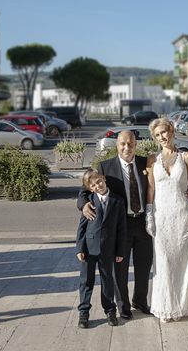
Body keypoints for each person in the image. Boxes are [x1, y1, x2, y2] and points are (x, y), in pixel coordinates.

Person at [77, 130, 153, 320]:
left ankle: (140, 301)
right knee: (120, 268)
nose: (127, 147)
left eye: (130, 143)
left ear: (136, 144)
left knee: (144, 266)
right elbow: (86, 189)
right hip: (119, 226)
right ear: (117, 145)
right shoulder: (105, 166)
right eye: (122, 144)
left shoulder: (146, 163)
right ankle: (123, 306)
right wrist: (83, 205)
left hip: (143, 222)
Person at [145, 118, 188, 322]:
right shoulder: (152, 159)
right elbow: (151, 188)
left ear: (172, 131)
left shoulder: (186, 156)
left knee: (181, 262)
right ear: (155, 138)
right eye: (158, 134)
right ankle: (164, 307)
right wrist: (149, 216)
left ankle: (179, 306)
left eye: (165, 132)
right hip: (161, 218)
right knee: (163, 263)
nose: (162, 137)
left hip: (182, 215)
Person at [76, 169, 127, 329]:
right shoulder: (89, 202)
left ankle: (110, 311)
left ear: (103, 179)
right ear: (90, 188)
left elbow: (122, 228)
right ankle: (84, 313)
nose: (98, 185)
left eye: (99, 181)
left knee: (107, 280)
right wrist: (79, 249)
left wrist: (120, 251)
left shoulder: (117, 201)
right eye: (93, 185)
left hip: (108, 249)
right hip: (89, 250)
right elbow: (81, 228)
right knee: (86, 281)